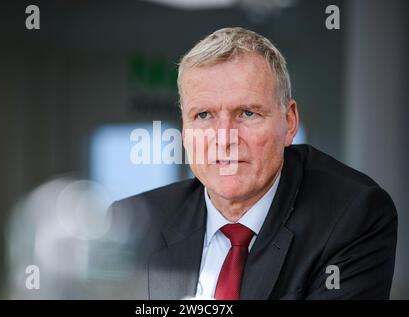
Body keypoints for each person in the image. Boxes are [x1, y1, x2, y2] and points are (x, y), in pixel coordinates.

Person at [106, 27, 397, 300]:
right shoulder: (131, 224)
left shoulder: (353, 215)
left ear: (289, 121)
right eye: (204, 115)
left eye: (247, 113)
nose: (224, 139)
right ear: (185, 130)